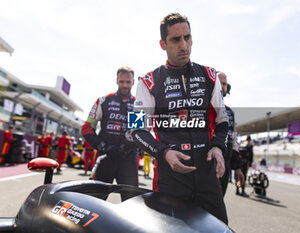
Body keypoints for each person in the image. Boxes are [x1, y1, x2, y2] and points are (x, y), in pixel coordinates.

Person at [130, 13, 229, 224]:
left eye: (188, 37)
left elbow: (222, 121)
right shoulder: (148, 82)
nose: (184, 45)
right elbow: (136, 130)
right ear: (162, 44)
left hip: (206, 174)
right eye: (176, 40)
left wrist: (218, 147)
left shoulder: (210, 76)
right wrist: (163, 153)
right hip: (170, 176)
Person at [81, 66, 138, 202]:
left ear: (133, 82)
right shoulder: (103, 101)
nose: (125, 85)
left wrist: (126, 147)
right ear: (116, 81)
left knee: (132, 202)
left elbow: (138, 133)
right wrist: (103, 147)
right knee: (96, 200)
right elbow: (86, 128)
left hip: (128, 160)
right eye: (122, 81)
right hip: (106, 157)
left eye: (128, 82)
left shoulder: (138, 104)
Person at [217, 71, 245, 197]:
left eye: (225, 84)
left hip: (225, 165)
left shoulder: (229, 112)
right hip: (206, 166)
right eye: (220, 83)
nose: (223, 87)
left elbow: (233, 141)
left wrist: (237, 168)